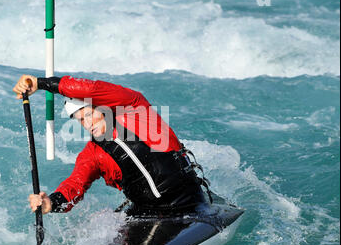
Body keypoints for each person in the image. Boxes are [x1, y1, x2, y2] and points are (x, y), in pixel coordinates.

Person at [13, 75, 210, 217]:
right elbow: (75, 185)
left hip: (188, 201)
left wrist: (42, 83)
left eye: (89, 115)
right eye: (81, 120)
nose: (88, 124)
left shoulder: (134, 109)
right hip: (147, 214)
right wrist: (51, 203)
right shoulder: (92, 153)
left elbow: (90, 89)